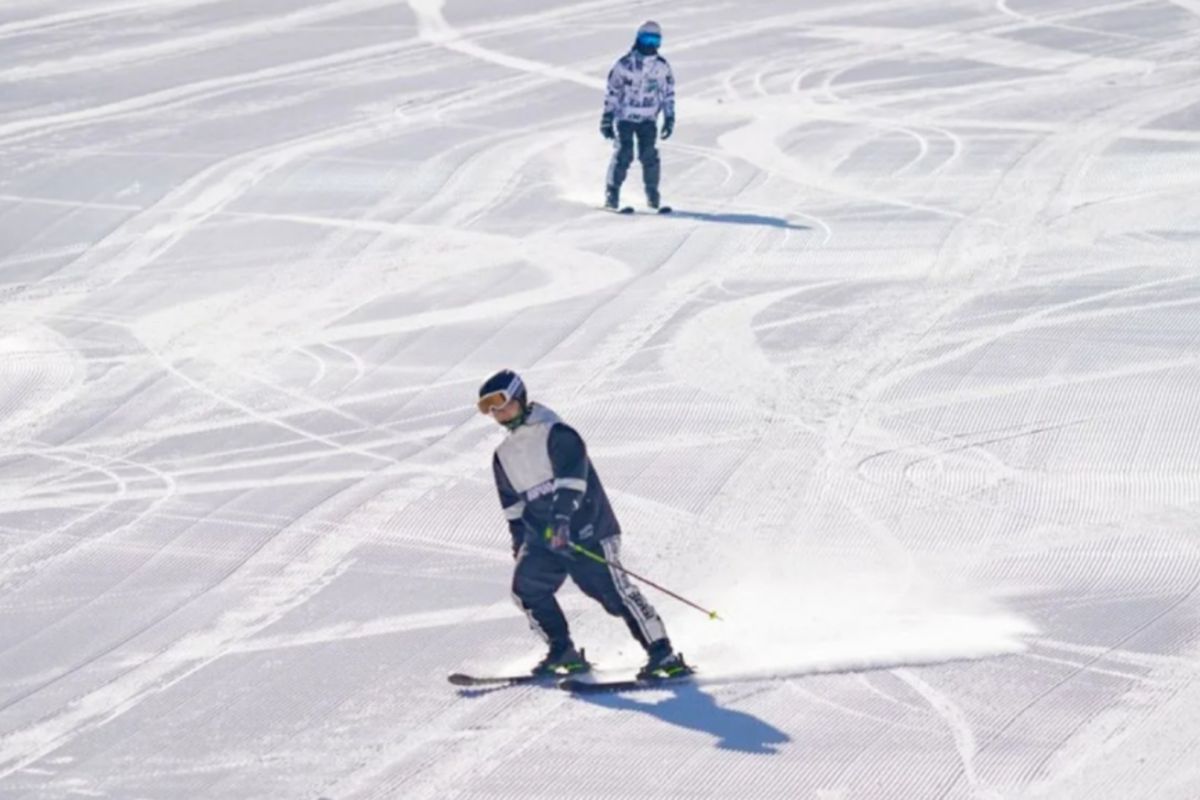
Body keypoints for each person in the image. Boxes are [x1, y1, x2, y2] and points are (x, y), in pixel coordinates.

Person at [478, 369, 689, 679]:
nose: (498, 412)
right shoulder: (503, 455)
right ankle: (562, 649)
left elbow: (572, 482)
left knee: (611, 593)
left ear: (519, 398)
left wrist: (563, 520)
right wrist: (520, 543)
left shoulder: (558, 433)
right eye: (489, 409)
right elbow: (514, 507)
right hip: (545, 538)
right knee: (526, 590)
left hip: (588, 529)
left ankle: (662, 653)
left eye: (502, 403)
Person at [600, 20, 675, 211]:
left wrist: (669, 117)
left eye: (654, 40)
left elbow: (668, 93)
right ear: (638, 39)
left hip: (648, 118)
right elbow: (612, 91)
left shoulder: (661, 67)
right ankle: (612, 193)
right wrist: (607, 117)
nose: (650, 45)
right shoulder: (624, 65)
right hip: (624, 117)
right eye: (646, 39)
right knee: (624, 153)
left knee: (649, 155)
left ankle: (652, 193)